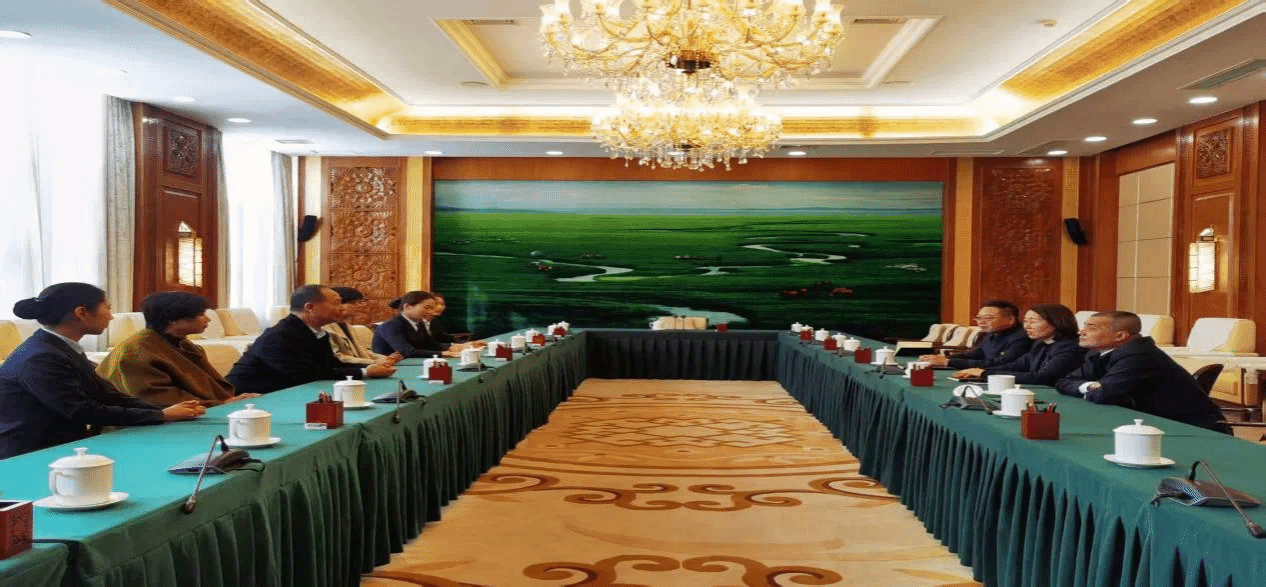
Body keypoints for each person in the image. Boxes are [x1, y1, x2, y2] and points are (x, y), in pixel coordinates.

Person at [0, 283, 205, 459]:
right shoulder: (41, 357)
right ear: (81, 313)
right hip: (32, 454)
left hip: (63, 445)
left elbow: (106, 394)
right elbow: (82, 410)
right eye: (108, 308)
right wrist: (160, 415)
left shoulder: (58, 346)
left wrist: (165, 411)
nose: (112, 317)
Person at [1054, 311, 1226, 432]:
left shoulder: (1139, 355)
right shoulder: (1097, 353)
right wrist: (1091, 386)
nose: (1081, 332)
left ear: (1120, 336)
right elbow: (1063, 382)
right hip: (1149, 424)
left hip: (1191, 429)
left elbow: (1104, 394)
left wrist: (1095, 388)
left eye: (1091, 328)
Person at [97, 291, 260, 407]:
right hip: (145, 426)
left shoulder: (185, 344)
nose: (208, 319)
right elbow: (158, 400)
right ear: (173, 320)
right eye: (200, 314)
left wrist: (230, 401)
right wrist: (221, 404)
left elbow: (212, 389)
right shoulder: (136, 353)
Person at [227, 285, 396, 394]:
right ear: (310, 307)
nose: (341, 308)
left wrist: (370, 367)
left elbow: (331, 365)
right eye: (336, 303)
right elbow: (306, 375)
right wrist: (365, 372)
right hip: (252, 399)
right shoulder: (280, 335)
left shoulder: (318, 332)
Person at [951, 303, 1085, 386]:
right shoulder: (1040, 344)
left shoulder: (1070, 348)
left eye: (1033, 321)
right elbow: (1017, 365)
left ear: (1057, 322)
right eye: (1026, 321)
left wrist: (985, 374)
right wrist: (979, 371)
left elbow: (1042, 378)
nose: (1027, 326)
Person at [920, 299, 1032, 369]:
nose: (981, 322)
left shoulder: (1021, 337)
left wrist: (949, 362)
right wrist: (943, 358)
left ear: (1010, 320)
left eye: (988, 318)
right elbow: (974, 355)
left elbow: (1000, 363)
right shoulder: (990, 335)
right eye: (979, 318)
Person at [372, 291, 480, 358]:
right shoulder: (390, 325)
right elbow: (407, 352)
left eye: (432, 308)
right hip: (393, 366)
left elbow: (432, 345)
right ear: (408, 307)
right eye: (427, 308)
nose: (430, 312)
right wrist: (445, 353)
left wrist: (457, 346)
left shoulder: (420, 323)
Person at [325, 286, 401, 366]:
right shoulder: (326, 327)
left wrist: (385, 358)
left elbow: (361, 352)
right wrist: (375, 362)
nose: (360, 306)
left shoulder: (347, 326)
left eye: (360, 302)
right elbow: (338, 357)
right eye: (355, 302)